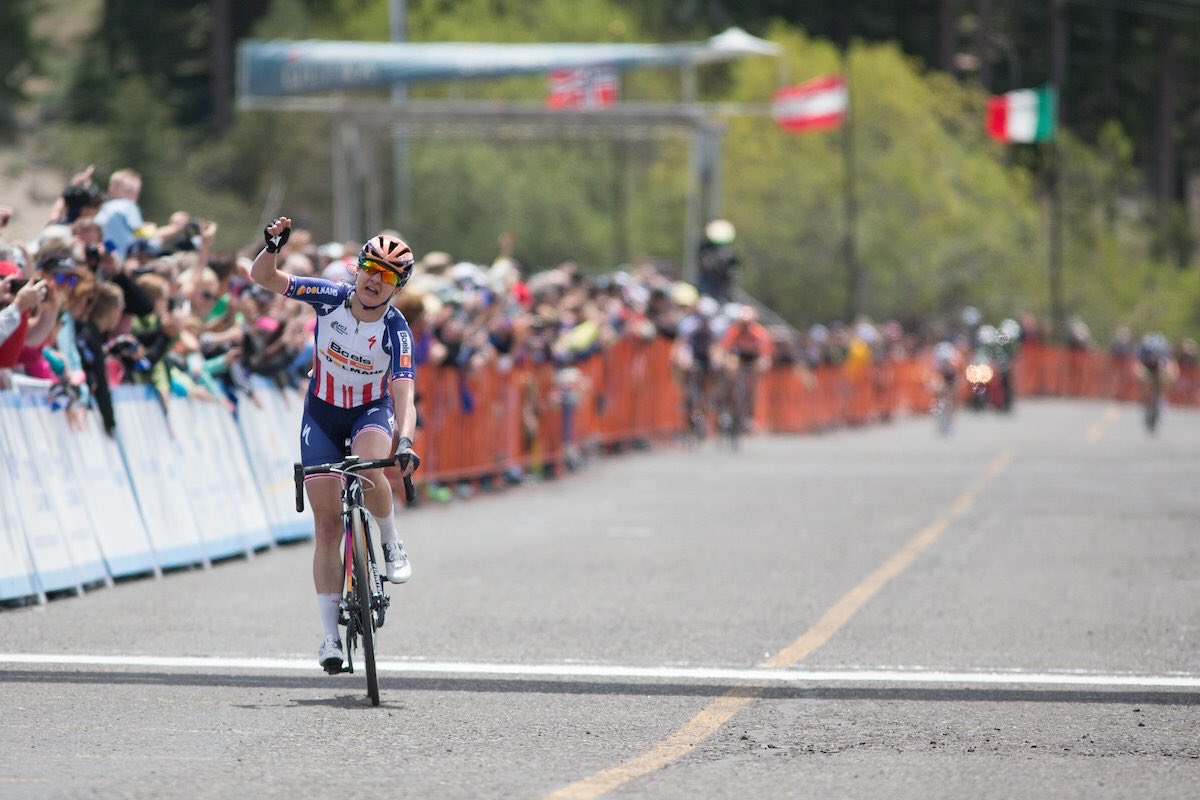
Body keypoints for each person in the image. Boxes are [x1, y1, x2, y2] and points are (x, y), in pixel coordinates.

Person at [250, 216, 420, 673]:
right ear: (357, 267)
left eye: (386, 276)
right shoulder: (328, 297)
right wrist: (272, 247)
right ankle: (328, 637)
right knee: (327, 525)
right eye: (369, 267)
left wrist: (404, 440)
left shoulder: (397, 330)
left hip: (370, 411)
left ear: (397, 286)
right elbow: (263, 278)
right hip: (322, 412)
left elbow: (405, 394)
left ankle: (390, 540)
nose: (373, 280)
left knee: (370, 469)